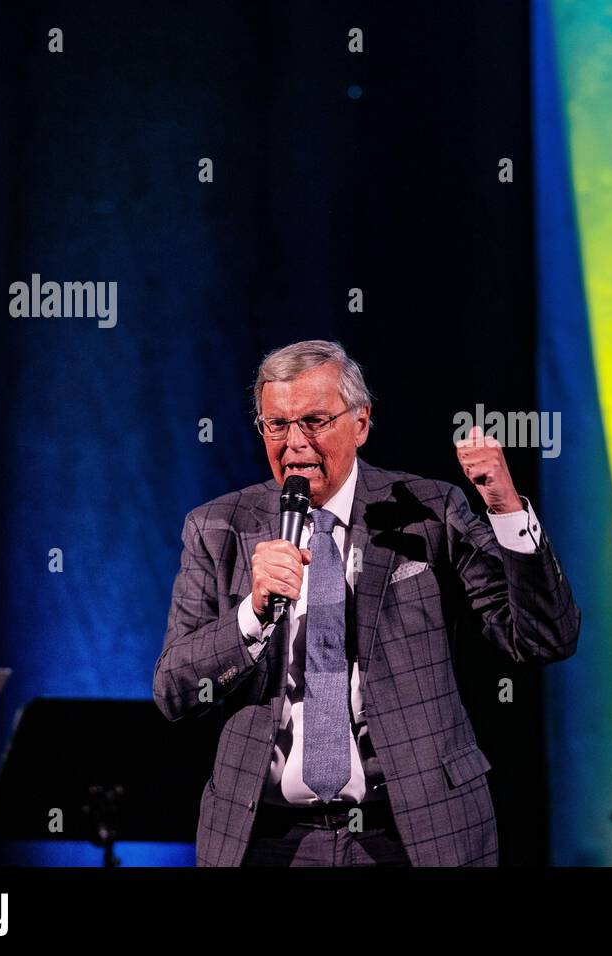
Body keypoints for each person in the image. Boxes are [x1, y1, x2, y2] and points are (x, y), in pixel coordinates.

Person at [153, 339, 580, 866]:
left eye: (314, 420)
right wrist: (252, 613)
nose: (294, 443)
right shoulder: (218, 527)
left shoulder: (427, 510)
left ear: (361, 422)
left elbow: (543, 638)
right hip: (269, 840)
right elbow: (173, 691)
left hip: (415, 831)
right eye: (276, 425)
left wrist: (506, 508)